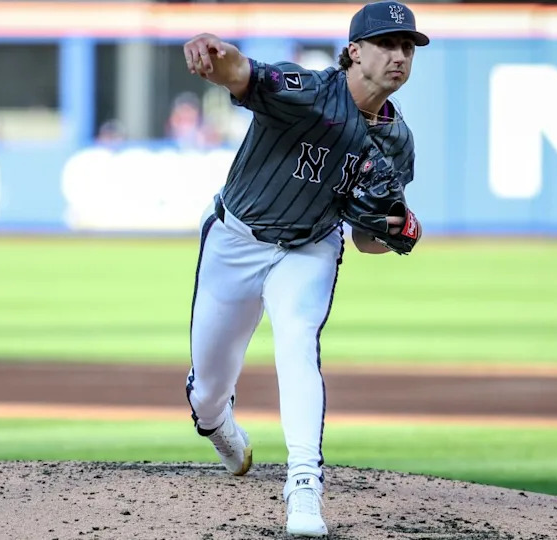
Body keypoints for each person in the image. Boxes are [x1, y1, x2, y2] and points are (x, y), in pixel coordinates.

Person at [182, 2, 429, 536]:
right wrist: (212, 51)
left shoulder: (397, 143)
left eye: (408, 47)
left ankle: (304, 486)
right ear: (355, 51)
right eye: (387, 44)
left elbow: (366, 240)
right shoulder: (308, 91)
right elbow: (243, 74)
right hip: (235, 239)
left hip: (309, 248)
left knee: (297, 343)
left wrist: (399, 231)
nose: (400, 56)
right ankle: (217, 422)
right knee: (205, 393)